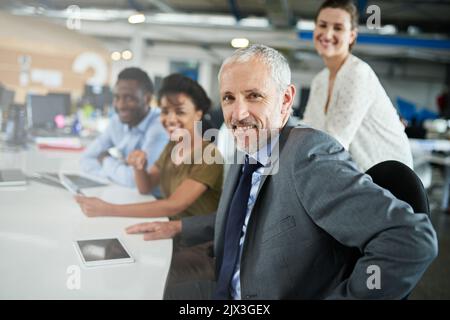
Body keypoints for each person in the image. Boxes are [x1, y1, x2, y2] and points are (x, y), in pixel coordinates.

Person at [127, 44, 437, 300]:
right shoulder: (245, 150)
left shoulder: (308, 155)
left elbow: (411, 240)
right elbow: (243, 218)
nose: (238, 113)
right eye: (229, 98)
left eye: (254, 96)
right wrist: (179, 229)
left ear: (286, 99)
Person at [302, 0, 413, 172]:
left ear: (352, 36)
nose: (328, 33)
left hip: (389, 180)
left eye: (338, 28)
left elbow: (334, 143)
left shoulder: (357, 73)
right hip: (356, 176)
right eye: (322, 25)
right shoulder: (320, 80)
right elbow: (308, 131)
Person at [80, 67, 168, 188]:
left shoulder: (159, 127)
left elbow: (138, 182)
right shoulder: (117, 121)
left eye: (129, 98)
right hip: (125, 193)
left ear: (147, 99)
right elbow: (86, 158)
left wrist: (106, 160)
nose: (120, 105)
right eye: (117, 97)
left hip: (154, 200)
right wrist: (116, 172)